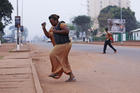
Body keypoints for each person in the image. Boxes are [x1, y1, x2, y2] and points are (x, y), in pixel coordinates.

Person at [41, 14, 76, 82]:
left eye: (52, 21)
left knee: (52, 54)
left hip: (65, 44)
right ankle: (72, 76)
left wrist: (56, 31)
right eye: (50, 22)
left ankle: (56, 71)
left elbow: (67, 31)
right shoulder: (52, 28)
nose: (51, 23)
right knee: (64, 61)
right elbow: (48, 35)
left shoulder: (61, 24)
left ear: (56, 20)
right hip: (60, 45)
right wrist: (44, 28)